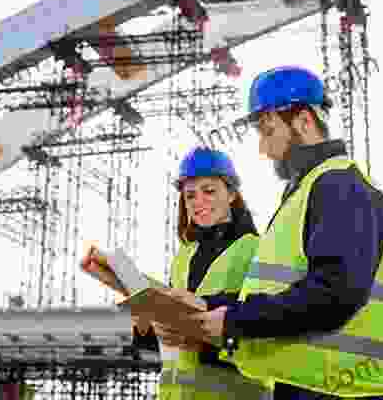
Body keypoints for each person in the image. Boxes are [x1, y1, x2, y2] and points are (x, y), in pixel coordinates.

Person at [188, 66, 383, 400]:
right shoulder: (306, 192)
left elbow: (335, 293)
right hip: (311, 385)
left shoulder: (339, 185)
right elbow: (281, 289)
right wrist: (200, 305)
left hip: (339, 389)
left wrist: (235, 321)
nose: (264, 148)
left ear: (303, 122)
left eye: (268, 131)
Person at [82, 146, 272, 400]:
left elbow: (263, 330)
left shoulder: (257, 249)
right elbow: (167, 342)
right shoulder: (184, 257)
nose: (198, 202)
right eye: (190, 195)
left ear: (232, 194)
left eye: (209, 191)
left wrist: (201, 336)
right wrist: (145, 326)